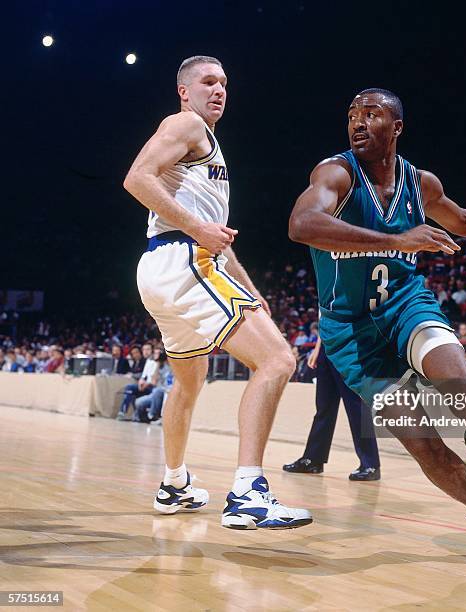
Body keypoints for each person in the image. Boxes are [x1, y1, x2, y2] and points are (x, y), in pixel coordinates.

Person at [289, 88, 466, 566]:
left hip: (405, 303)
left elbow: (464, 220)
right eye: (352, 115)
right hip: (350, 331)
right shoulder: (336, 173)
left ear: (397, 127)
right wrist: (395, 237)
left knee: (458, 378)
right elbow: (302, 224)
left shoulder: (419, 182)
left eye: (372, 114)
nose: (358, 123)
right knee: (424, 445)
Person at [124, 55, 311, 529]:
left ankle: (173, 482)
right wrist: (197, 229)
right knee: (277, 360)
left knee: (188, 383)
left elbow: (217, 240)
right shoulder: (186, 123)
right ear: (184, 90)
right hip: (183, 260)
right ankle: (249, 494)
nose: (219, 89)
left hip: (162, 267)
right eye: (208, 81)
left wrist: (251, 290)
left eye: (224, 82)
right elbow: (136, 178)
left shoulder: (205, 146)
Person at [283, 336, 381, 480]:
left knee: (356, 407)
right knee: (324, 408)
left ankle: (371, 464)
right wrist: (318, 349)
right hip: (326, 346)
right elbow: (324, 315)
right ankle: (313, 459)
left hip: (349, 344)